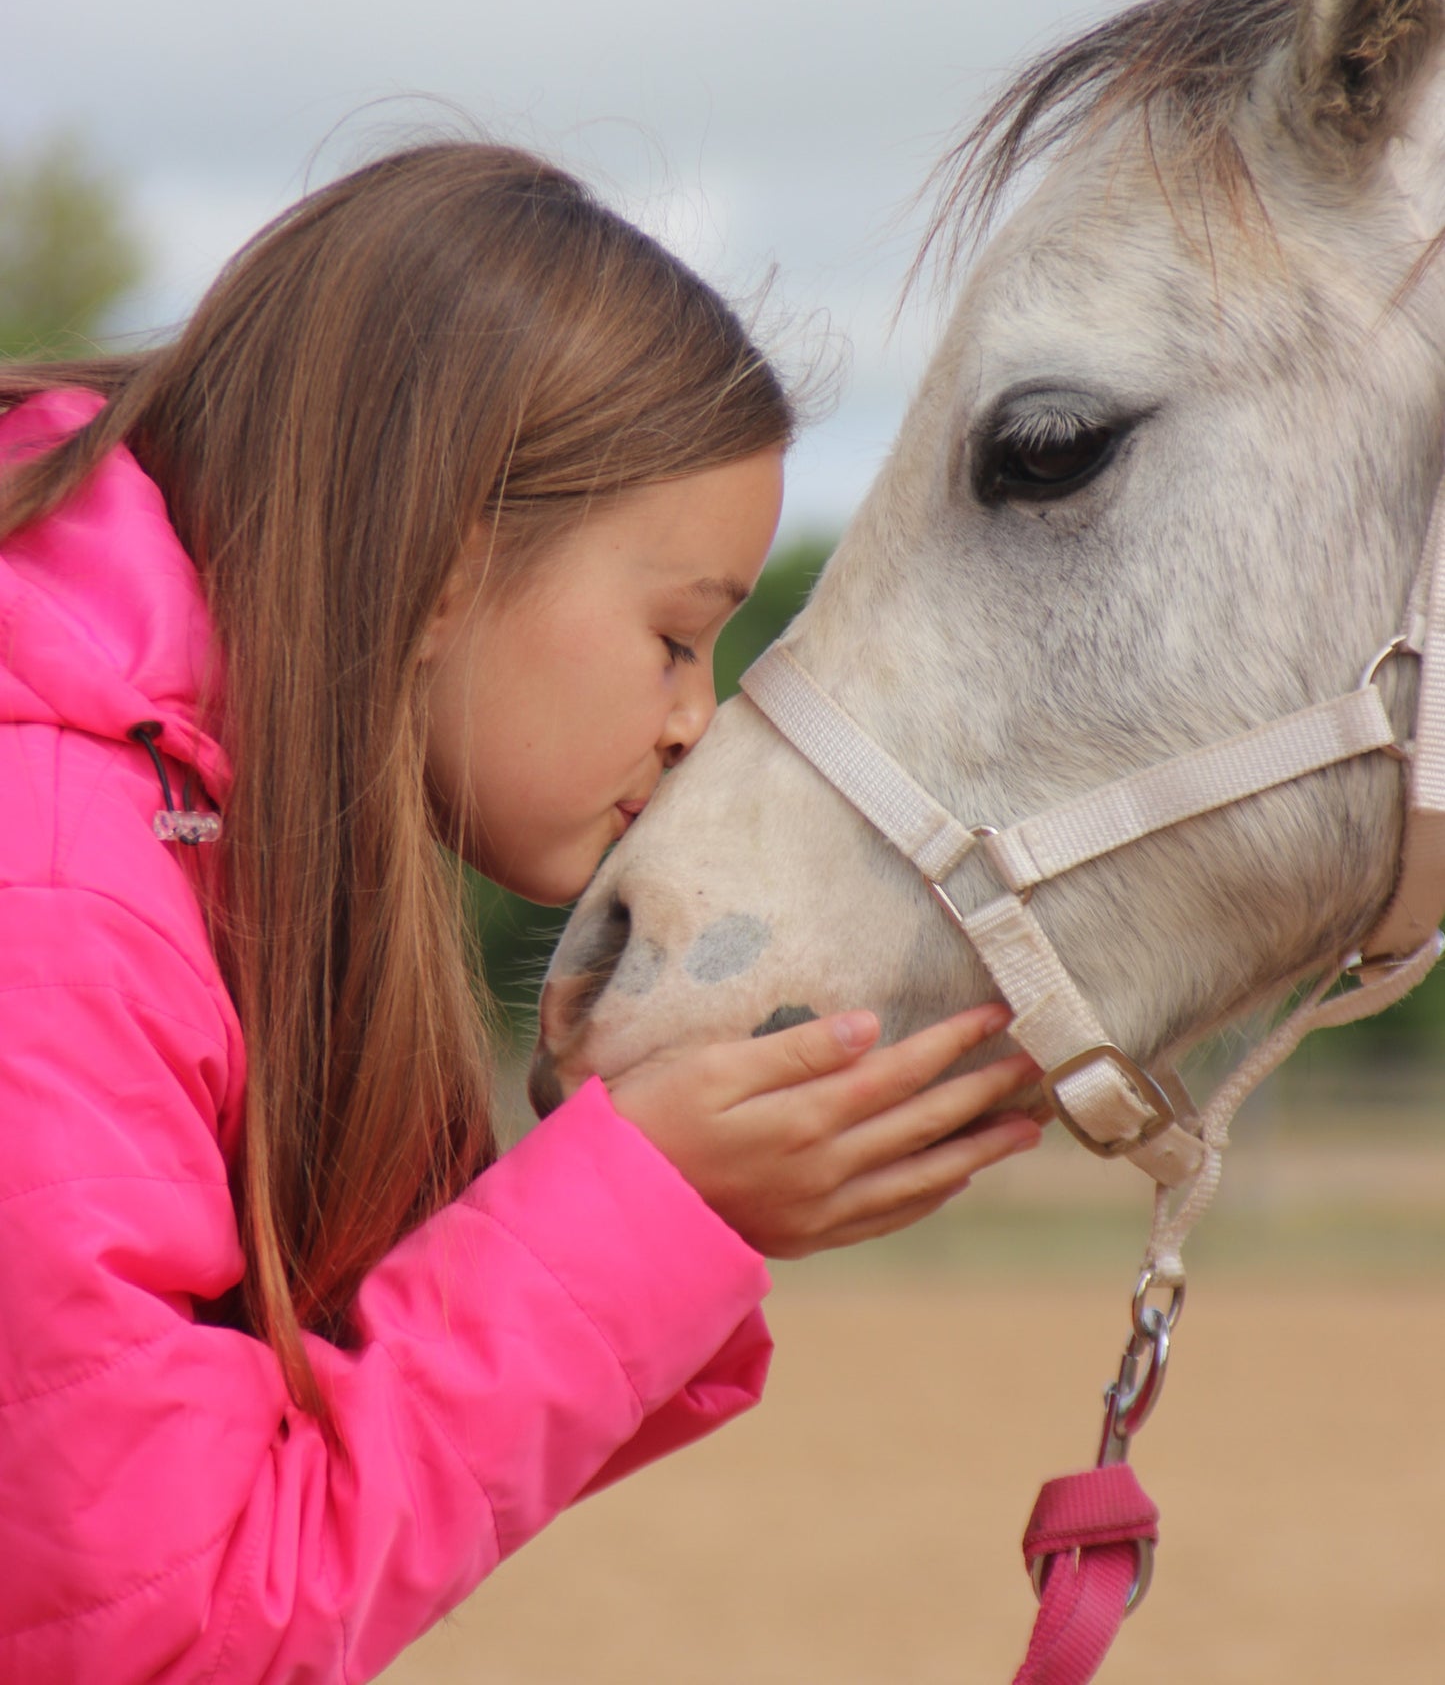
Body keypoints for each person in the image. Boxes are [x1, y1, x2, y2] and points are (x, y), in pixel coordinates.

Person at [0, 143, 1040, 1683]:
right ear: (441, 560)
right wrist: (645, 1218)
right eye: (677, 636)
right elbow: (172, 1624)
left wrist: (670, 1215)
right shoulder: (57, 894)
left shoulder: (159, 828)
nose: (697, 720)